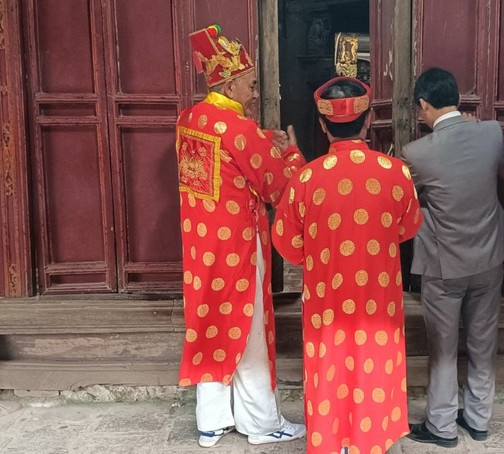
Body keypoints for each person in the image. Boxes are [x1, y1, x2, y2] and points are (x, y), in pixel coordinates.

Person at [272, 77, 422, 454]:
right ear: (368, 121)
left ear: (323, 126)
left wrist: (323, 255)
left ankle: (331, 440)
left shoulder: (306, 178)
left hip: (327, 301)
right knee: (376, 359)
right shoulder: (396, 172)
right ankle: (370, 439)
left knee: (329, 366)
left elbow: (288, 244)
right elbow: (407, 228)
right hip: (379, 298)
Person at [175, 24, 306, 448]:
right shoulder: (238, 128)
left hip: (201, 246)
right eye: (250, 84)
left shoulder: (190, 120)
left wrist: (259, 141)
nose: (254, 93)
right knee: (248, 329)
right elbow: (276, 185)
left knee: (210, 322)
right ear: (229, 83)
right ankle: (261, 422)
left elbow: (225, 165)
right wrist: (288, 148)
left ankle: (211, 419)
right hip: (237, 245)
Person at [403, 68, 504, 448]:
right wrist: (478, 125)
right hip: (489, 258)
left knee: (443, 348)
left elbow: (406, 200)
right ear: (458, 98)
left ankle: (442, 426)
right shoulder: (491, 131)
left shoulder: (416, 153)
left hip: (444, 264)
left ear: (424, 104)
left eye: (419, 109)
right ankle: (480, 419)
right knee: (483, 341)